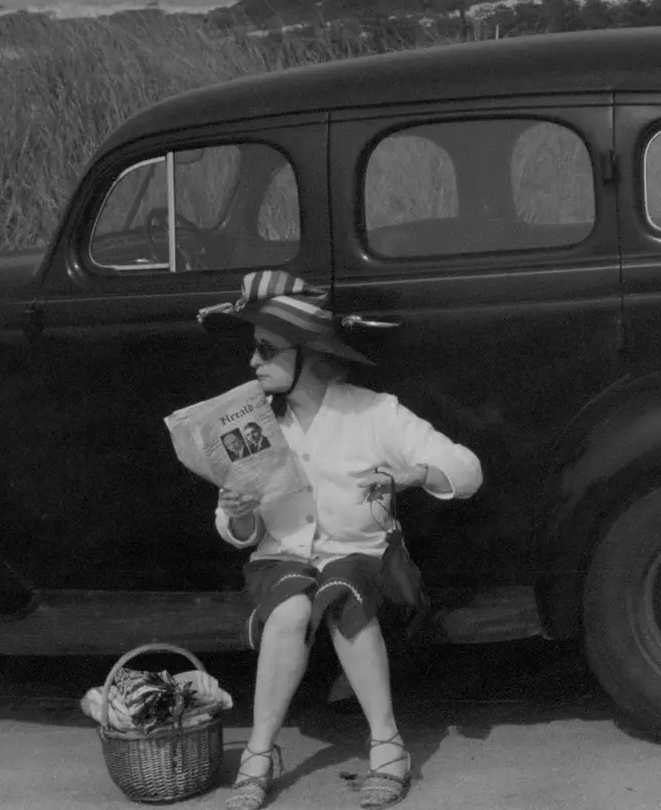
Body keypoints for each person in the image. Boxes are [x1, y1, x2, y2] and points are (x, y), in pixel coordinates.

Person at [197, 270, 483, 810]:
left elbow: (466, 470)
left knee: (342, 588)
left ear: (305, 353)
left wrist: (413, 474)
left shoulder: (374, 413)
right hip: (281, 563)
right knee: (288, 608)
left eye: (265, 349)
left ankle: (387, 746)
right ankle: (259, 755)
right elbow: (237, 532)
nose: (252, 362)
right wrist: (238, 513)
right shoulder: (255, 428)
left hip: (362, 563)